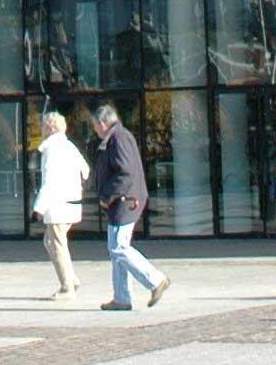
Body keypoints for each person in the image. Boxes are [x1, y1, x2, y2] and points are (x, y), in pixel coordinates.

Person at [89, 104, 171, 312]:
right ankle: (122, 297)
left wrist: (108, 195)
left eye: (95, 126)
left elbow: (125, 172)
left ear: (102, 123)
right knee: (115, 248)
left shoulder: (118, 138)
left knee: (119, 247)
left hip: (126, 200)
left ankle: (155, 280)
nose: (95, 130)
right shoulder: (117, 137)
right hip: (123, 200)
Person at [29, 110, 90, 300]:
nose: (42, 129)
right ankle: (71, 278)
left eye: (44, 125)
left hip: (58, 205)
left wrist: (38, 207)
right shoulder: (69, 146)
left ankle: (67, 287)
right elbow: (86, 171)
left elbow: (49, 181)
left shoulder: (51, 149)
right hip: (71, 201)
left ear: (50, 128)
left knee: (56, 245)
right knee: (51, 241)